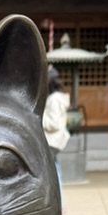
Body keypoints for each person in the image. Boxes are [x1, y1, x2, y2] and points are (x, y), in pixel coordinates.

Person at [42, 67, 70, 198]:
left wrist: (38, 118)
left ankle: (59, 205)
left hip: (52, 141)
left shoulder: (53, 99)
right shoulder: (58, 98)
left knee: (53, 175)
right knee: (55, 170)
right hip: (56, 141)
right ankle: (60, 205)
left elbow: (54, 123)